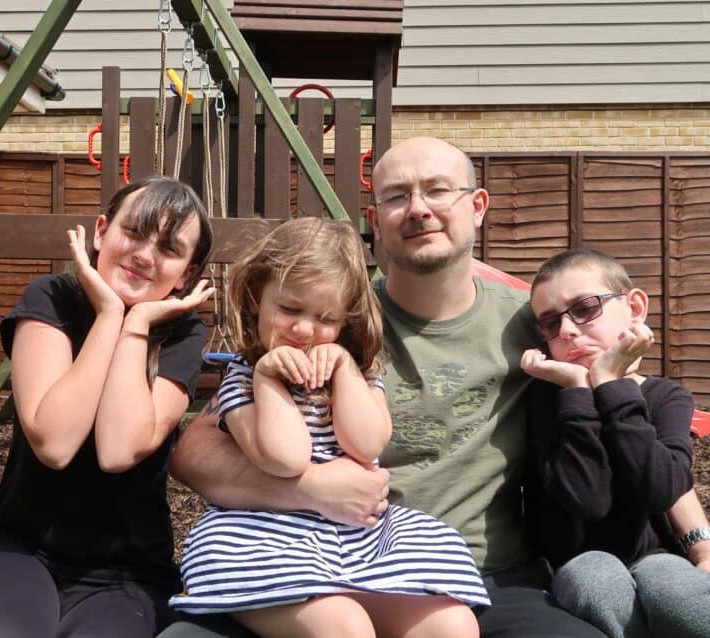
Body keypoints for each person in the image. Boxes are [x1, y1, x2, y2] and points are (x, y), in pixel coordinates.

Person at [159, 137, 609, 638]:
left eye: (438, 190)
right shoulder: (342, 313)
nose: (418, 209)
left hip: (472, 572)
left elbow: (610, 372)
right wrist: (313, 490)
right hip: (292, 558)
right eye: (397, 196)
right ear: (376, 219)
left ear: (478, 206)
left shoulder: (531, 324)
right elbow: (193, 450)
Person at [170, 217, 487, 638]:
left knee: (453, 625)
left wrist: (343, 371)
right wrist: (267, 380)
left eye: (324, 317)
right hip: (264, 543)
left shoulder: (358, 374)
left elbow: (367, 443)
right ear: (254, 302)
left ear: (344, 324)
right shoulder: (244, 381)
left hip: (355, 541)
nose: (303, 330)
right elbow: (287, 459)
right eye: (289, 308)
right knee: (345, 627)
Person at [0, 176, 215, 638]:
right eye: (133, 232)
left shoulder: (181, 334)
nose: (145, 255)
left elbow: (118, 450)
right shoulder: (51, 298)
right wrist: (111, 316)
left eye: (169, 249)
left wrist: (136, 326)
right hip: (22, 550)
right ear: (101, 231)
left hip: (128, 572)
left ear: (186, 275)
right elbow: (56, 442)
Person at [521, 248, 710, 638]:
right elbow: (589, 499)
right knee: (597, 580)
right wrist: (577, 390)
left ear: (635, 307)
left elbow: (661, 489)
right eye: (551, 324)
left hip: (655, 556)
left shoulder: (667, 398)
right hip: (573, 563)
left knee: (677, 588)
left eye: (585, 309)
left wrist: (611, 385)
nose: (568, 331)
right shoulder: (545, 401)